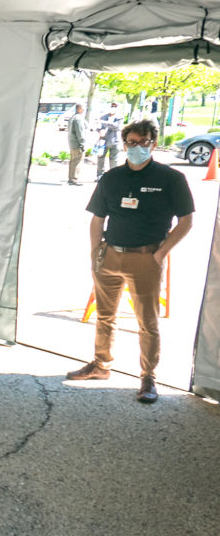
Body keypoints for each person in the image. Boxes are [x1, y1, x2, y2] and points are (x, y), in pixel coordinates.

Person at [66, 120, 194, 403]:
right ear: (124, 144)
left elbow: (186, 222)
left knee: (147, 321)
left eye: (143, 142)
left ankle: (148, 377)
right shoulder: (112, 178)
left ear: (154, 143)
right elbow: (97, 219)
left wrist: (160, 254)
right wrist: (95, 253)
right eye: (132, 142)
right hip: (110, 254)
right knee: (105, 315)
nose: (137, 147)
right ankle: (101, 365)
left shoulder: (170, 178)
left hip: (146, 257)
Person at [96, 102, 123, 179]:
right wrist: (99, 130)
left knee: (113, 159)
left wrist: (103, 123)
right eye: (112, 106)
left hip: (114, 141)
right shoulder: (104, 116)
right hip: (103, 141)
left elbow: (116, 126)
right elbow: (98, 126)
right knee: (100, 158)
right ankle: (100, 175)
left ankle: (113, 176)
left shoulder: (119, 117)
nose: (113, 108)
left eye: (115, 106)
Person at [67, 103, 87, 186]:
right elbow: (80, 133)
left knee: (73, 161)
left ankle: (71, 178)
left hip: (72, 142)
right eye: (83, 108)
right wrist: (83, 144)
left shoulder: (73, 117)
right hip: (77, 144)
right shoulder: (78, 118)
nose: (84, 110)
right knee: (77, 161)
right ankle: (74, 179)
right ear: (79, 109)